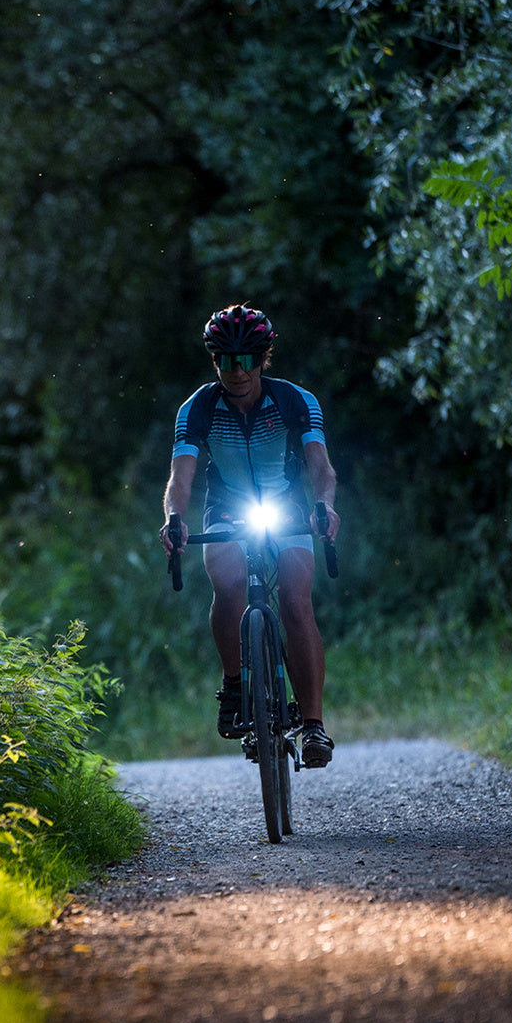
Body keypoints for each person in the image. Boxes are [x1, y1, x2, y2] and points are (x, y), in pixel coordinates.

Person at [160, 304, 340, 768]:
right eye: (225, 361)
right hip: (227, 507)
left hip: (287, 506)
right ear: (215, 361)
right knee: (229, 583)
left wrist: (325, 507)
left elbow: (320, 467)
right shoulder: (198, 407)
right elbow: (180, 480)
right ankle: (236, 682)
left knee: (298, 603)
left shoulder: (294, 400)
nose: (235, 372)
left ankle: (315, 725)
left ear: (263, 359)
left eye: (246, 360)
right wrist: (175, 519)